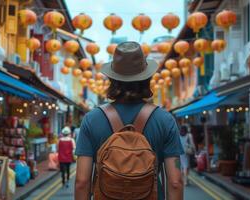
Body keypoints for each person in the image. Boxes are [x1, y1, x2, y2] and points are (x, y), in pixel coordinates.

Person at [75, 42, 184, 200]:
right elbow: (175, 182)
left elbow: (82, 181)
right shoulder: (165, 120)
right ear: (146, 78)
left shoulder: (92, 119)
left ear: (112, 79)